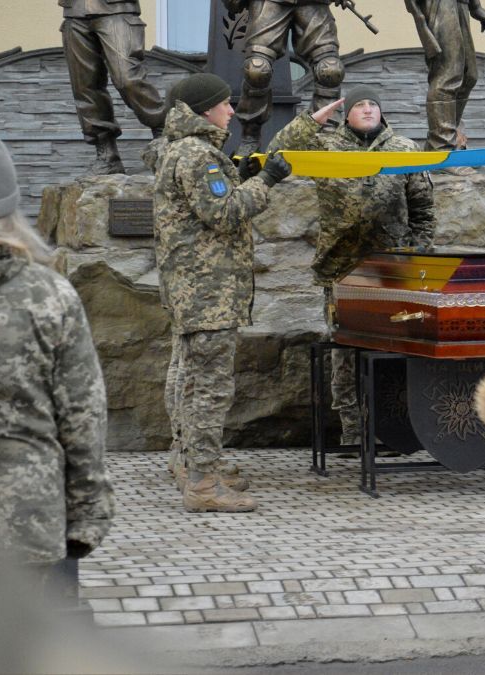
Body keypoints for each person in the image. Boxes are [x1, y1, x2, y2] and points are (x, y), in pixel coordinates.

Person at [0, 127, 115, 587]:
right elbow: (82, 417)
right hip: (28, 520)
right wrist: (86, 516)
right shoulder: (49, 295)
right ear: (9, 206)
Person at [153, 73, 291, 512]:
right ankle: (203, 483)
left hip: (191, 291)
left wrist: (240, 175)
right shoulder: (198, 155)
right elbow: (226, 212)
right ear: (203, 109)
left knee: (189, 379)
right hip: (208, 292)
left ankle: (191, 462)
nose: (231, 111)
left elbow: (211, 203)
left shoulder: (182, 149)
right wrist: (266, 180)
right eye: (225, 103)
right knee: (209, 389)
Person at [269, 85, 435, 448]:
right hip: (342, 267)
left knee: (395, 348)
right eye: (360, 105)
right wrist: (312, 121)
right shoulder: (326, 146)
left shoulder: (404, 149)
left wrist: (416, 254)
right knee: (344, 348)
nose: (367, 110)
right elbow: (276, 151)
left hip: (392, 269)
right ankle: (353, 433)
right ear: (347, 114)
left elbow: (423, 209)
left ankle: (395, 431)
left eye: (373, 104)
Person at [225, 0, 344, 157]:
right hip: (269, 3)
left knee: (330, 69)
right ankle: (250, 137)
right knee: (257, 69)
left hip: (313, 4)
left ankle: (327, 136)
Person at [60, 0, 167, 174]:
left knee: (127, 78)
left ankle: (164, 133)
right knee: (84, 86)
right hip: (75, 10)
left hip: (118, 9)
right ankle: (106, 153)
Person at [406, 0, 485, 151]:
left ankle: (444, 144)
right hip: (438, 4)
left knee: (468, 75)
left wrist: (475, 6)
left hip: (459, 4)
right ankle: (441, 148)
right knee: (447, 75)